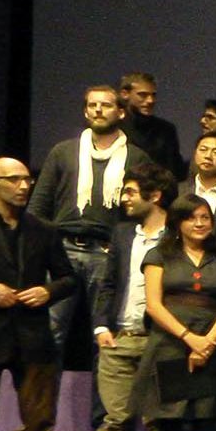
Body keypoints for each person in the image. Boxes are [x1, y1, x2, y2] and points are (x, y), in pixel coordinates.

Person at [28, 85, 154, 353]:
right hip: (62, 249)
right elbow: (39, 203)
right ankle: (44, 397)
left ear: (121, 112)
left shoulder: (136, 156)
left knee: (104, 334)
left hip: (107, 252)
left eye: (106, 105)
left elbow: (145, 210)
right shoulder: (63, 152)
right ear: (85, 111)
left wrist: (122, 245)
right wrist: (39, 249)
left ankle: (103, 397)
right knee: (51, 331)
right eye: (92, 105)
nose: (98, 110)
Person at [0, 157, 76, 431]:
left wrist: (48, 291)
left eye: (27, 179)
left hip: (33, 337)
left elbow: (68, 277)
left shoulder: (43, 229)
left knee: (39, 423)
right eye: (15, 180)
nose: (24, 186)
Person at [133, 194, 216, 431]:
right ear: (178, 223)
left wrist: (208, 342)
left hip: (211, 344)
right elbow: (154, 305)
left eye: (205, 217)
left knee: (206, 417)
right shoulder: (159, 255)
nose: (200, 223)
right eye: (192, 218)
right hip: (170, 344)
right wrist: (190, 338)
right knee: (170, 419)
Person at [91, 162, 173, 431]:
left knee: (156, 418)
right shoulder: (123, 233)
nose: (124, 199)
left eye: (130, 192)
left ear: (154, 196)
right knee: (117, 419)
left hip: (157, 339)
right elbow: (108, 283)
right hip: (119, 338)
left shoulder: (177, 235)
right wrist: (100, 327)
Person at [118, 72, 186, 178]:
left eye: (153, 95)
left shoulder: (166, 130)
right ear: (125, 94)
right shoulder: (114, 129)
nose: (150, 100)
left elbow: (174, 171)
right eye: (142, 95)